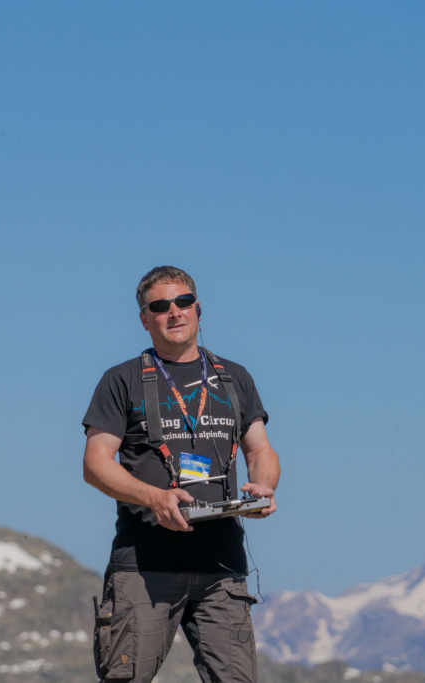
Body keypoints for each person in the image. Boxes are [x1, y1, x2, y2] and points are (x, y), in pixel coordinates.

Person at [82, 265, 281, 683]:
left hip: (222, 566)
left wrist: (264, 486)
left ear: (198, 308)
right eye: (160, 306)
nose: (174, 312)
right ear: (144, 319)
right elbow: (95, 464)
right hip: (144, 567)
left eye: (183, 301)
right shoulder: (121, 380)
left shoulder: (234, 378)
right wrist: (155, 498)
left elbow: (259, 449)